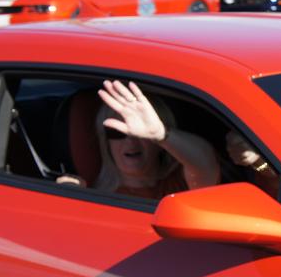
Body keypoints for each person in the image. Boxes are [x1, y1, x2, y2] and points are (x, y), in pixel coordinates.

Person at [60, 80, 220, 199]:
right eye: (116, 131)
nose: (130, 142)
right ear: (106, 143)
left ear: (160, 145)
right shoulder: (97, 196)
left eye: (141, 134)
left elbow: (205, 165)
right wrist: (69, 199)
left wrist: (161, 133)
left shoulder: (177, 182)